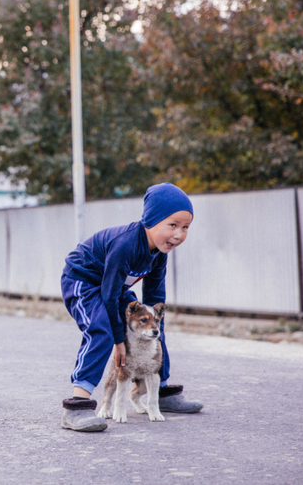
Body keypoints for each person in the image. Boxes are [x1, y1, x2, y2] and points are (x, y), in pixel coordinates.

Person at [59, 183, 203, 432]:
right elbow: (109, 296)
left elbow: (156, 299)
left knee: (151, 324)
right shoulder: (125, 245)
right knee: (102, 330)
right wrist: (119, 341)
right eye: (172, 225)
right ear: (150, 220)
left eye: (185, 227)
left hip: (111, 288)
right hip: (82, 282)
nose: (179, 234)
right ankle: (76, 406)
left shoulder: (159, 253)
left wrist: (157, 327)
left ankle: (162, 391)